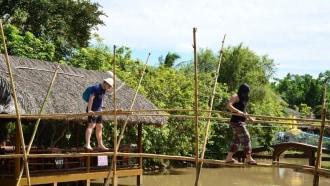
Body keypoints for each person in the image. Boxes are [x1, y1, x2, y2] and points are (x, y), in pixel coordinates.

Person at [225, 83, 257, 165]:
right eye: (247, 91)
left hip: (241, 122)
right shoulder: (235, 96)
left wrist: (249, 118)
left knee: (236, 140)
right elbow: (229, 106)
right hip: (237, 122)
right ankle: (249, 159)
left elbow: (244, 111)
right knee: (246, 138)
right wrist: (237, 111)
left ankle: (229, 158)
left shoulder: (244, 99)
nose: (248, 93)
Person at [84, 78, 113, 151]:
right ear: (105, 83)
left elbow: (101, 98)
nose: (109, 88)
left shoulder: (104, 90)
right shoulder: (96, 88)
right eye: (109, 86)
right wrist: (90, 110)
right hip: (93, 110)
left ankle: (100, 144)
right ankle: (87, 143)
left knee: (99, 126)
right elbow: (91, 98)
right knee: (91, 125)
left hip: (98, 110)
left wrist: (101, 106)